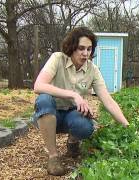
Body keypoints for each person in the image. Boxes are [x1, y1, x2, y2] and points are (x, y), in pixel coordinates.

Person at [32, 27, 129, 176]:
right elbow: (38, 85)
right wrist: (73, 95)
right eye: (81, 48)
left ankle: (73, 141)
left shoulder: (93, 70)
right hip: (51, 113)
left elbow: (108, 101)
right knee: (44, 99)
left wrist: (127, 125)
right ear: (72, 47)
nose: (85, 53)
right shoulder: (57, 59)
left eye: (89, 49)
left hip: (71, 115)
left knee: (86, 126)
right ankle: (53, 157)